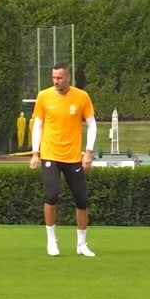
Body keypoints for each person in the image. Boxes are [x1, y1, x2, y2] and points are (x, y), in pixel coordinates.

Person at [29, 62, 98, 257]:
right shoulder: (44, 96)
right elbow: (38, 125)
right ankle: (51, 240)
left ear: (68, 77)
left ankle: (81, 244)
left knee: (82, 200)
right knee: (51, 195)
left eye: (59, 77)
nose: (56, 81)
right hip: (50, 154)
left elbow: (92, 124)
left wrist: (88, 152)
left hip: (73, 156)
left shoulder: (82, 97)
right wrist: (35, 152)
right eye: (53, 77)